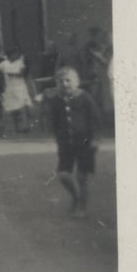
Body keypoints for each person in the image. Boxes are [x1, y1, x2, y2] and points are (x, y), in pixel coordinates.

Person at [35, 67, 101, 218]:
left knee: (82, 177)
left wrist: (95, 139)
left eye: (68, 80)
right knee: (63, 175)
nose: (65, 84)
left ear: (76, 82)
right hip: (65, 143)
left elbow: (95, 118)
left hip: (85, 142)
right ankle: (76, 196)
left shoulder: (84, 97)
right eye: (61, 81)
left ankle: (82, 207)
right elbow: (50, 117)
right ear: (56, 83)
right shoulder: (55, 99)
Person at [0, 47, 33, 133]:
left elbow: (22, 73)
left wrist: (13, 74)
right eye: (15, 54)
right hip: (10, 88)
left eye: (18, 54)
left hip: (20, 87)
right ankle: (17, 127)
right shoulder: (4, 63)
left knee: (22, 107)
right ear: (10, 55)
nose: (17, 56)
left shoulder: (20, 62)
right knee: (13, 109)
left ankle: (25, 126)